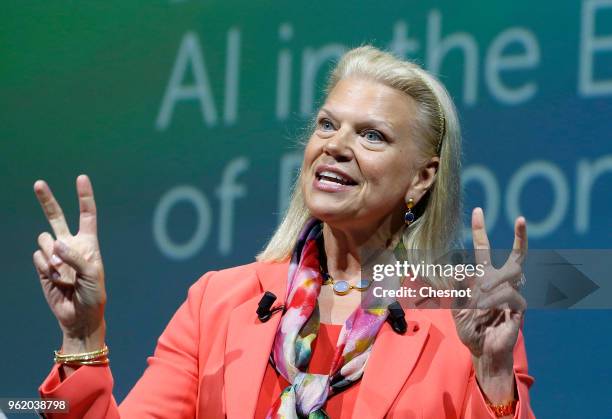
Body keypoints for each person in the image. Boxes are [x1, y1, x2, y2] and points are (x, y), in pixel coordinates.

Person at [33, 46, 534, 418]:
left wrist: (493, 378)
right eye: (326, 124)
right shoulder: (217, 303)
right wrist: (82, 335)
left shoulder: (461, 316)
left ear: (422, 178)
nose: (336, 146)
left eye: (371, 135)